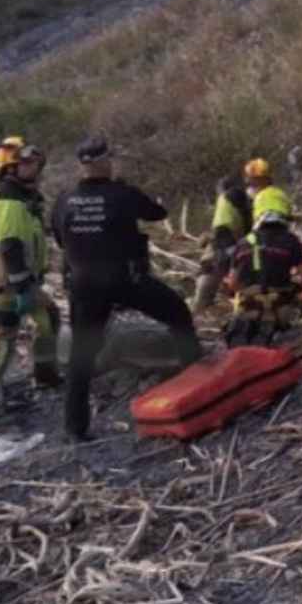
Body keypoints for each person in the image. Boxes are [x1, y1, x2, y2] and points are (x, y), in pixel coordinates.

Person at [50, 135, 204, 442]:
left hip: (83, 286)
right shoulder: (122, 193)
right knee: (178, 314)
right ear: (105, 161)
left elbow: (58, 238)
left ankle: (74, 429)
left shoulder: (64, 199)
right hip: (124, 280)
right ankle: (197, 383)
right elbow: (157, 214)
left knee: (81, 357)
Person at [0, 137, 61, 428]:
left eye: (36, 162)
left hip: (19, 280)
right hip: (4, 282)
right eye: (27, 163)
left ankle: (46, 376)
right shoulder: (9, 201)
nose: (36, 167)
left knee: (48, 316)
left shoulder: (22, 198)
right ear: (11, 168)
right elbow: (10, 246)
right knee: (0, 336)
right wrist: (24, 287)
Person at [224, 182, 302, 345]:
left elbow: (233, 285)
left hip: (247, 310)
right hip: (280, 311)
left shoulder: (243, 243)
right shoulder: (291, 241)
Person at [191, 158, 261, 311]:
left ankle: (202, 305)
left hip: (231, 241)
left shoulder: (229, 198)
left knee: (211, 267)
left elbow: (226, 228)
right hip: (236, 240)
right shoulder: (242, 198)